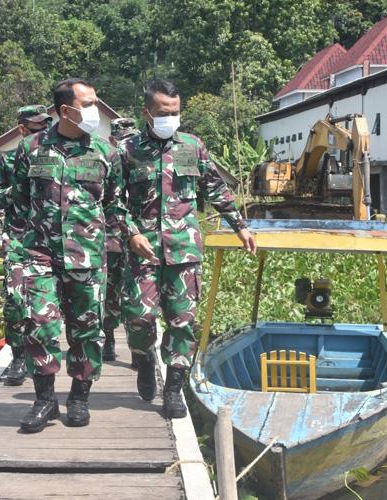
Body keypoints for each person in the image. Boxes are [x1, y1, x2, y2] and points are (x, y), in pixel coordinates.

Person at [121, 79, 256, 419]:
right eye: (164, 112)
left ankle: (173, 389)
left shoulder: (192, 147)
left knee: (182, 321)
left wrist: (240, 225)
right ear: (147, 113)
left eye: (176, 112)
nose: (171, 118)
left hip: (184, 249)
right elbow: (113, 201)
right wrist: (130, 232)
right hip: (144, 249)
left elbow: (215, 189)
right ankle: (144, 358)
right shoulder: (128, 150)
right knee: (138, 317)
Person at [11, 78, 127, 432]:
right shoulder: (30, 149)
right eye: (88, 103)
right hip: (38, 253)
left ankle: (79, 397)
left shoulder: (106, 153)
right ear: (65, 111)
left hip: (88, 257)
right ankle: (45, 402)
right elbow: (18, 202)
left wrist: (115, 249)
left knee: (86, 331)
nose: (95, 110)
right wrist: (18, 248)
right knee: (39, 327)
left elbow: (115, 206)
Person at [0, 104, 52, 386]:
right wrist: (20, 187)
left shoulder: (57, 156)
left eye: (45, 125)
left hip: (52, 237)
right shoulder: (9, 159)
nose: (43, 131)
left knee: (51, 303)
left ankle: (45, 357)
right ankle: (17, 357)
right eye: (37, 127)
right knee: (15, 300)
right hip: (18, 236)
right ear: (23, 129)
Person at [103, 118, 141, 362]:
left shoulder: (142, 162)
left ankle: (138, 349)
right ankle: (108, 339)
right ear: (113, 140)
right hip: (111, 238)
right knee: (110, 293)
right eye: (122, 139)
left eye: (130, 138)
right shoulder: (106, 163)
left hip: (137, 240)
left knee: (136, 294)